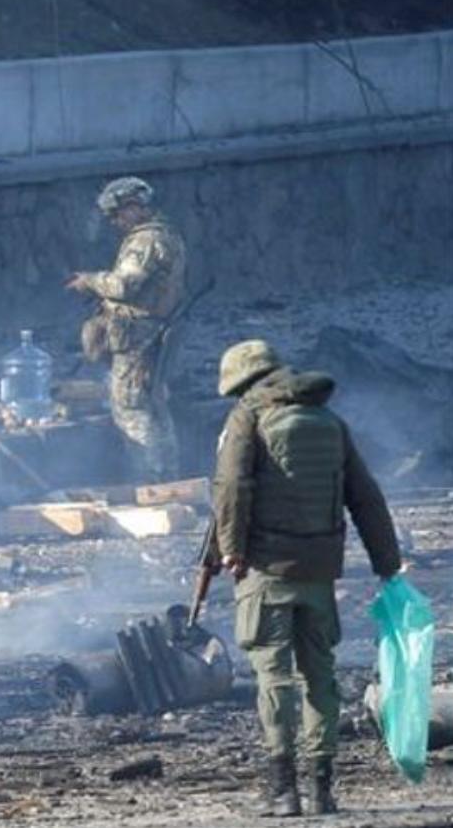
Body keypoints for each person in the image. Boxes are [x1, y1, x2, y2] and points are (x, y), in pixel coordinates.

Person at [210, 339, 402, 817]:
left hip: (266, 569)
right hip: (319, 570)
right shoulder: (331, 422)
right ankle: (322, 790)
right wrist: (387, 564)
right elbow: (366, 498)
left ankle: (283, 791)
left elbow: (231, 487)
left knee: (274, 676)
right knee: (320, 675)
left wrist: (230, 550)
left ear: (243, 384)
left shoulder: (246, 419)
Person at [67, 176, 186, 480]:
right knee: (155, 405)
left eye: (118, 214)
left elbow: (124, 285)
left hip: (138, 338)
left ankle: (149, 479)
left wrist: (90, 281)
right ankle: (167, 477)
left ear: (135, 207)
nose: (115, 221)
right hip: (153, 333)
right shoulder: (166, 234)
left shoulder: (146, 241)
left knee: (131, 408)